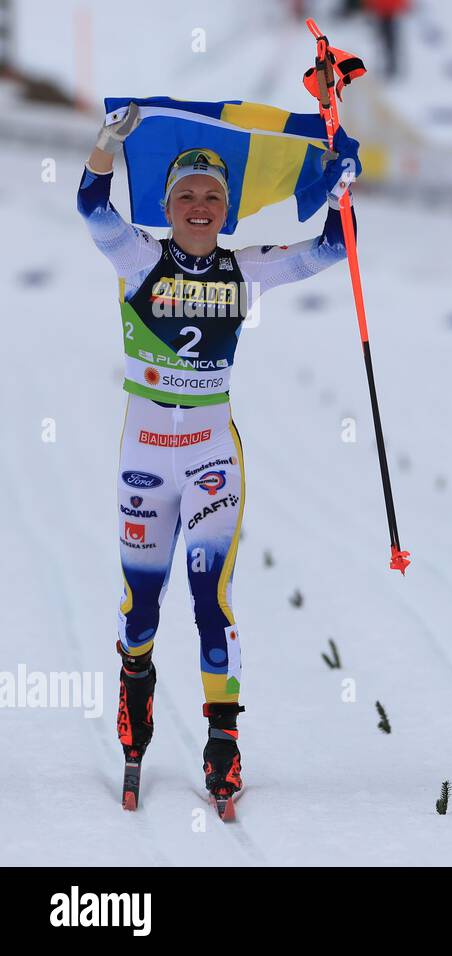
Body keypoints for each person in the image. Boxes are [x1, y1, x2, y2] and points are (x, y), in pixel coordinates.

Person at [79, 102, 357, 811]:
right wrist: (104, 148)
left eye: (211, 197)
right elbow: (90, 204)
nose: (199, 208)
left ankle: (223, 745)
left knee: (211, 599)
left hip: (210, 457)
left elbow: (328, 250)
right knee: (142, 607)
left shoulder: (245, 270)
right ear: (167, 205)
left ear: (225, 208)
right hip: (144, 456)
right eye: (186, 197)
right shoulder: (135, 255)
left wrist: (340, 189)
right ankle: (134, 709)